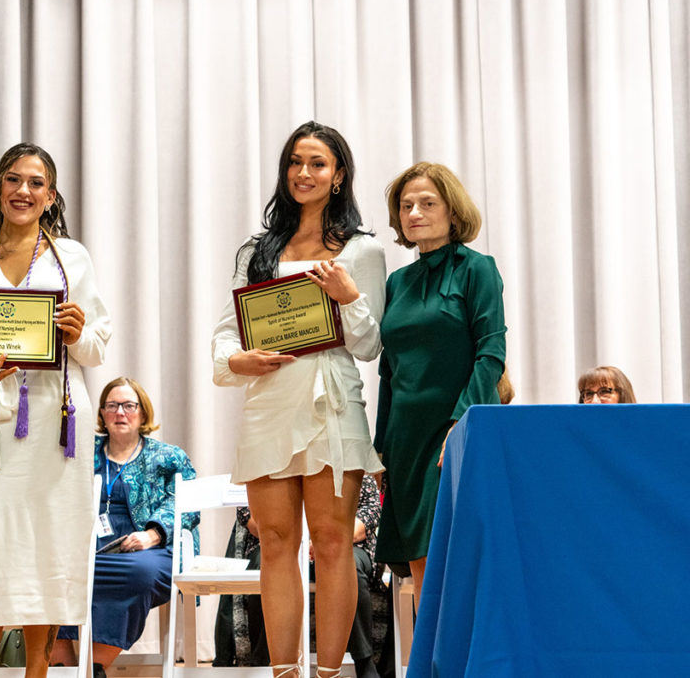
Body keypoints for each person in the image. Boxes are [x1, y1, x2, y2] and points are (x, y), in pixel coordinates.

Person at [212, 121, 386, 678]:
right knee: (276, 545)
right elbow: (226, 334)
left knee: (334, 544)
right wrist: (237, 361)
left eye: (317, 163)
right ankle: (285, 672)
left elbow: (370, 343)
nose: (303, 173)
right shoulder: (256, 251)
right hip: (269, 403)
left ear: (339, 176)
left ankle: (330, 672)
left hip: (333, 405)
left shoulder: (363, 250)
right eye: (295, 162)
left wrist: (349, 296)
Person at [0, 143, 112, 678]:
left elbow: (97, 346)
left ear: (51, 195)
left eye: (36, 182)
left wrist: (77, 330)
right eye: (13, 180)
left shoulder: (73, 258)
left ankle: (38, 675)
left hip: (54, 428)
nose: (24, 191)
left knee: (47, 553)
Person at [374, 162, 506, 607]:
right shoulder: (397, 282)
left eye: (427, 203)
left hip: (455, 428)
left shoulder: (478, 269)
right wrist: (380, 445)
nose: (414, 212)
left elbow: (491, 353)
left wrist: (462, 422)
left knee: (449, 558)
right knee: (419, 562)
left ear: (453, 211)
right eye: (406, 205)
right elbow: (388, 371)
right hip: (405, 440)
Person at [52, 377, 199, 678]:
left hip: (151, 549)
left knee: (138, 574)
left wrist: (152, 534)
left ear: (142, 414)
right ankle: (64, 668)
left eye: (129, 406)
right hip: (88, 547)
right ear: (102, 414)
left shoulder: (168, 456)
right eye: (112, 406)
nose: (120, 413)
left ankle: (94, 668)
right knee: (56, 571)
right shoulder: (81, 452)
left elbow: (187, 505)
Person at [213, 475, 383, 678]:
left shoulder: (365, 480)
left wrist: (321, 541)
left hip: (350, 543)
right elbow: (247, 513)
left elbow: (371, 511)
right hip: (280, 539)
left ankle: (360, 662)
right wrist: (299, 541)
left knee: (341, 555)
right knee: (269, 554)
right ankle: (270, 663)